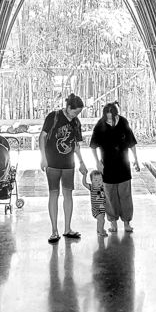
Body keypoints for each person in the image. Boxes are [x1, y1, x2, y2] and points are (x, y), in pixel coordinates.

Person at [39, 93, 88, 243]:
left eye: (78, 113)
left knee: (68, 195)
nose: (76, 115)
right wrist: (43, 158)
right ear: (68, 107)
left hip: (68, 165)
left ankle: (67, 229)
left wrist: (81, 162)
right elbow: (42, 137)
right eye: (74, 112)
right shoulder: (53, 117)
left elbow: (76, 145)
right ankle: (54, 230)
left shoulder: (76, 123)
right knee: (53, 194)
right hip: (52, 163)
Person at [90, 101, 140, 233]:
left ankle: (127, 222)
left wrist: (136, 159)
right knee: (110, 196)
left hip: (123, 166)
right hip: (107, 166)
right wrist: (97, 162)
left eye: (112, 117)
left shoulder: (123, 122)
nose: (110, 120)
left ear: (116, 114)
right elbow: (93, 146)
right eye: (107, 117)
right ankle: (113, 222)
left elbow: (132, 143)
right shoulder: (100, 126)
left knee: (125, 196)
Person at [82, 169, 107, 238]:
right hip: (95, 209)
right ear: (92, 181)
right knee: (101, 219)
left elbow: (104, 196)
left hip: (102, 208)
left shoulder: (103, 188)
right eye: (95, 180)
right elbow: (84, 183)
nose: (98, 182)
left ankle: (99, 229)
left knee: (101, 220)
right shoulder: (92, 187)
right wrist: (84, 175)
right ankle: (101, 231)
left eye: (100, 179)